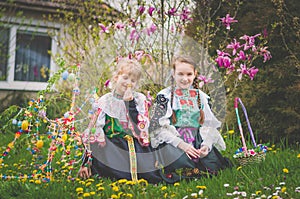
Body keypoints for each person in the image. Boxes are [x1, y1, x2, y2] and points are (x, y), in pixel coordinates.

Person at [78, 58, 162, 183]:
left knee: (147, 172)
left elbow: (142, 129)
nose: (129, 83)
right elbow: (94, 132)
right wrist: (86, 163)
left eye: (133, 80)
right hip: (113, 146)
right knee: (110, 169)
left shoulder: (139, 99)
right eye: (125, 78)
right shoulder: (105, 101)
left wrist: (130, 103)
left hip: (135, 144)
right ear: (116, 77)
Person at [149, 55, 232, 183]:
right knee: (180, 165)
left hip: (196, 139)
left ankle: (200, 163)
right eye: (180, 74)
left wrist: (206, 146)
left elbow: (208, 124)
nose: (185, 79)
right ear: (173, 74)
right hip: (174, 140)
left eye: (189, 74)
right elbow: (158, 128)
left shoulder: (201, 97)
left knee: (212, 165)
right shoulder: (164, 96)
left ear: (195, 74)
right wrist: (181, 144)